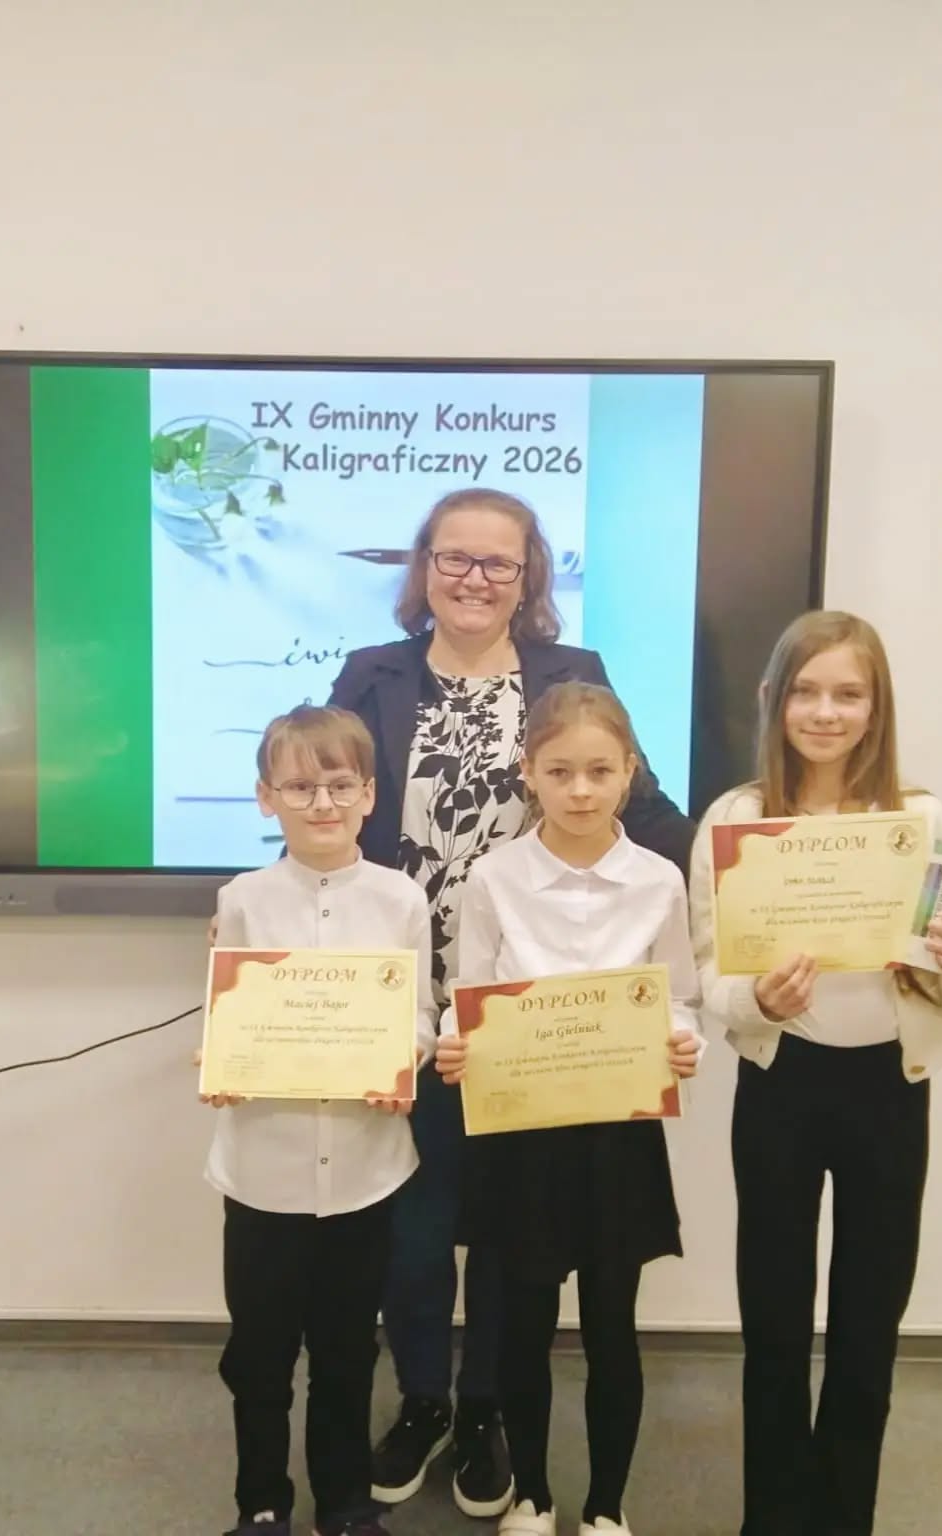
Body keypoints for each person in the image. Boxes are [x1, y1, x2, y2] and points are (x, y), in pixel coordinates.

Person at [327, 487, 694, 1516]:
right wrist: (265, 921)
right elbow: (326, 802)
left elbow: (649, 813)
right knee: (413, 1229)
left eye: (499, 561)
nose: (475, 578)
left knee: (501, 1235)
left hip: (537, 1028)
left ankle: (487, 1406)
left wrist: (753, 882)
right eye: (455, 557)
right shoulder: (371, 675)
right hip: (409, 1006)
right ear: (424, 566)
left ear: (529, 575)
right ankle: (425, 1400)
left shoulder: (573, 677)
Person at [689, 612, 942, 1536]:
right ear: (773, 700)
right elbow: (709, 972)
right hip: (781, 1084)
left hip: (889, 1091)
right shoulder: (735, 819)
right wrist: (759, 1000)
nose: (826, 712)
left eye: (848, 694)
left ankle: (842, 1516)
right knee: (774, 1319)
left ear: (876, 708)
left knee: (869, 1322)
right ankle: (773, 1518)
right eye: (807, 691)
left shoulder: (921, 821)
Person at [435, 681, 702, 1536]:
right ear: (529, 773)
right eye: (559, 772)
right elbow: (469, 992)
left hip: (618, 1132)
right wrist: (455, 1043)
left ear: (629, 772)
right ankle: (533, 1495)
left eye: (599, 771)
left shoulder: (659, 880)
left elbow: (679, 996)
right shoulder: (494, 877)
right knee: (524, 1322)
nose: (580, 790)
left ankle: (607, 1505)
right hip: (522, 1131)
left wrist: (681, 1040)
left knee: (614, 1326)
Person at [202, 705, 436, 1536]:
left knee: (346, 1351)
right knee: (259, 1355)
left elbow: (420, 1014)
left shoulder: (401, 899)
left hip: (367, 1174)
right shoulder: (243, 900)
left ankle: (344, 1501)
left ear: (370, 794)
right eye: (300, 787)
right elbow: (228, 1016)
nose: (323, 803)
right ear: (266, 798)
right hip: (262, 1172)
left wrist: (404, 1061)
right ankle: (262, 1500)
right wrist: (224, 1063)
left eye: (340, 784)